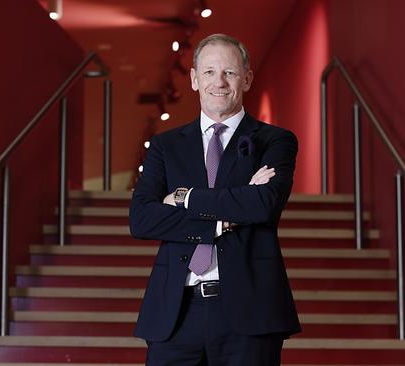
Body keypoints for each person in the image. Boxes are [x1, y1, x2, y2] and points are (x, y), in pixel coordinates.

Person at [129, 33, 300, 365]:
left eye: (230, 73)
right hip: (176, 312)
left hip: (250, 312)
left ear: (247, 78)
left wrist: (185, 197)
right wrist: (224, 218)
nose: (219, 82)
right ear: (194, 79)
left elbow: (263, 204)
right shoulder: (166, 147)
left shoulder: (274, 141)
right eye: (208, 72)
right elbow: (142, 218)